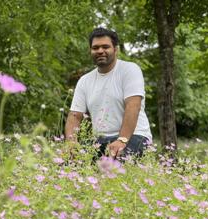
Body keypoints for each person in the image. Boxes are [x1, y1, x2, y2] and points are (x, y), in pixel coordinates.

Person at [65, 27, 152, 159]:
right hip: (100, 140)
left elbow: (133, 106)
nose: (100, 51)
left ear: (115, 50)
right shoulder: (85, 80)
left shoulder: (130, 70)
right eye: (95, 48)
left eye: (105, 47)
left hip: (134, 136)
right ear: (90, 51)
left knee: (114, 168)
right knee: (67, 168)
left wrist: (121, 140)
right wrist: (71, 144)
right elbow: (75, 115)